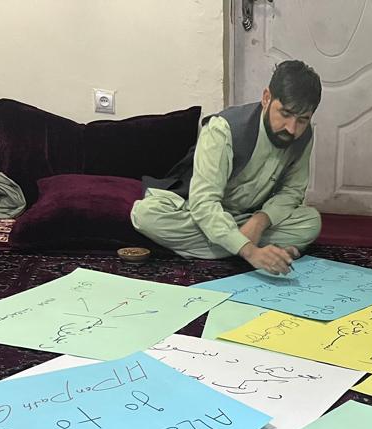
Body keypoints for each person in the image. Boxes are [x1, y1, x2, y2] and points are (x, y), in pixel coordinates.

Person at [131, 60, 322, 274]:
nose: (292, 128)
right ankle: (245, 248)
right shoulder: (222, 129)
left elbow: (292, 192)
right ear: (267, 98)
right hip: (197, 211)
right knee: (146, 215)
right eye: (285, 114)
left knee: (310, 222)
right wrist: (248, 250)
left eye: (303, 120)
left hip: (247, 216)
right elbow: (203, 202)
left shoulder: (303, 136)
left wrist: (260, 221)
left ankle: (225, 244)